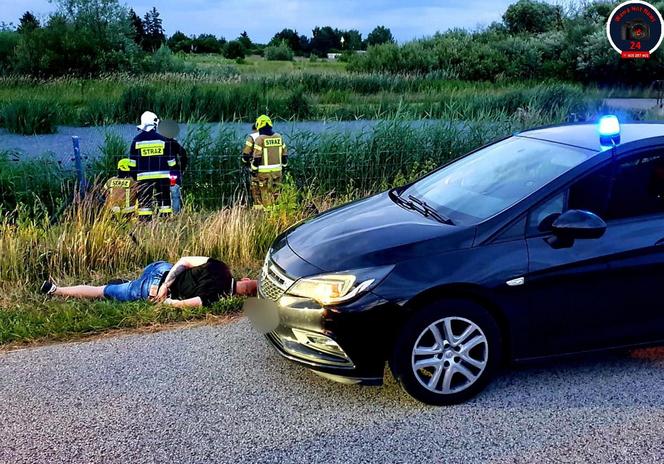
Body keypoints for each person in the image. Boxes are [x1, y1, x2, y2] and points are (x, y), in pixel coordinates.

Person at [40, 257, 258, 308]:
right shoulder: (213, 298)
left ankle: (128, 283)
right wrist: (163, 297)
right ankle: (56, 290)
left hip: (161, 269)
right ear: (241, 297)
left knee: (154, 270)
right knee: (101, 291)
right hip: (149, 290)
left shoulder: (220, 266)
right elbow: (177, 305)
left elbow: (184, 261)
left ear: (245, 279)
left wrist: (166, 284)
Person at [129, 111, 179, 217]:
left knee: (145, 201)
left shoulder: (136, 140)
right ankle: (165, 220)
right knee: (164, 201)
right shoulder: (162, 139)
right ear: (155, 123)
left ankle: (145, 219)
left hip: (143, 177)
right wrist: (173, 175)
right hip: (163, 176)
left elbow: (132, 164)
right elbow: (172, 162)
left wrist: (135, 178)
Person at [248, 115, 288, 209]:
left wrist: (253, 170)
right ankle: (278, 216)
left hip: (264, 174)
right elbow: (285, 156)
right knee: (277, 195)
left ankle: (268, 217)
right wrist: (284, 167)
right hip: (278, 172)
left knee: (266, 197)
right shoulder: (279, 137)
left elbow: (257, 158)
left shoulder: (260, 139)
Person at [158, 120, 188, 213]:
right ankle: (176, 213)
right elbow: (183, 154)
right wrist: (181, 169)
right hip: (173, 172)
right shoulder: (173, 143)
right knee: (175, 193)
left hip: (160, 173)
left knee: (161, 193)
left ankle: (162, 212)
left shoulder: (158, 142)